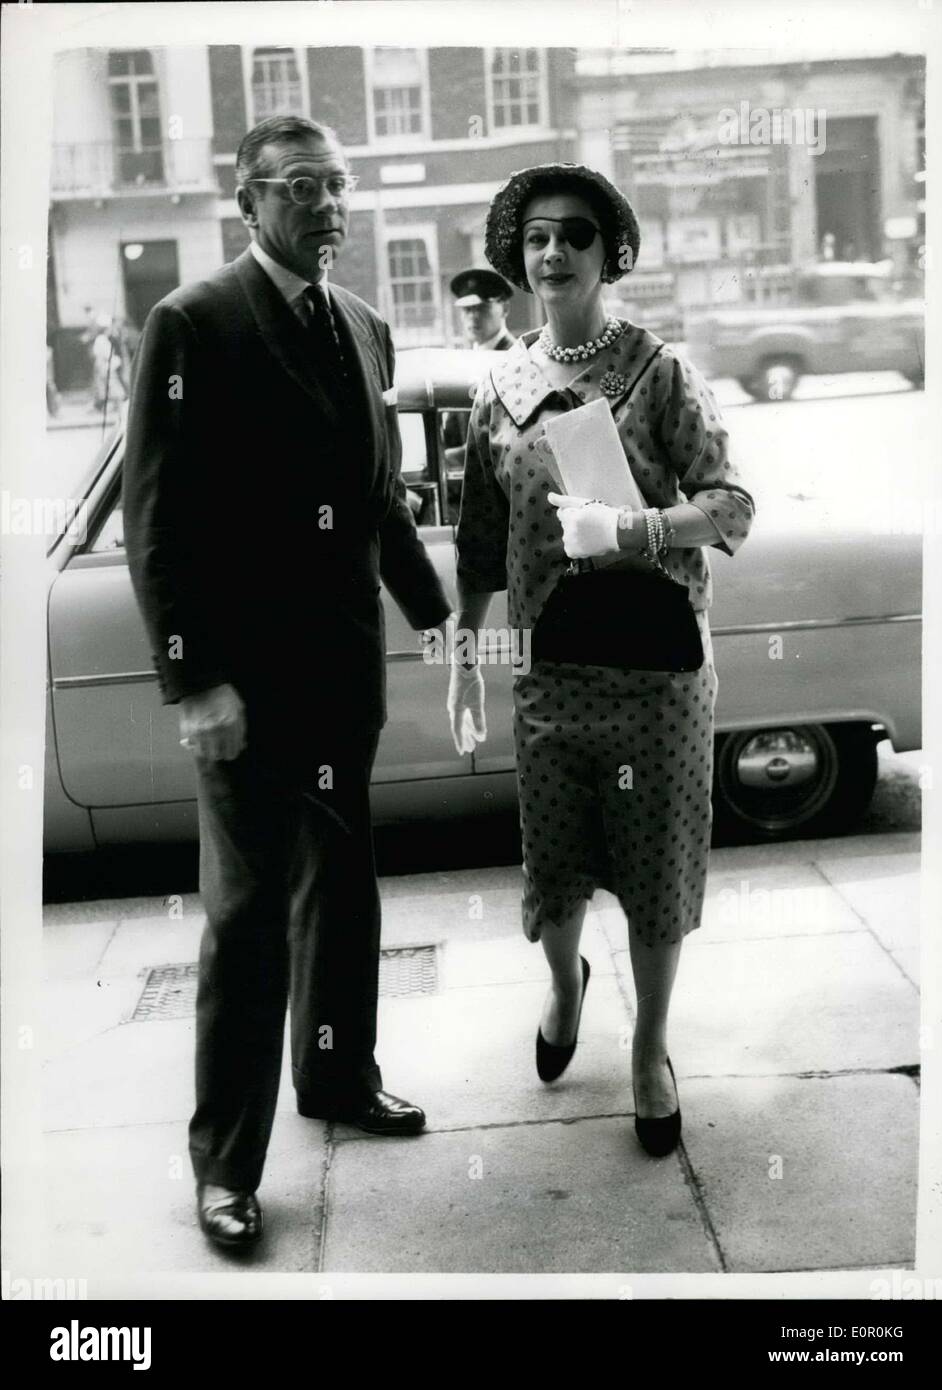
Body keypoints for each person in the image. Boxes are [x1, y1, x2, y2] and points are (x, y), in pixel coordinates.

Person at [123, 114, 452, 1248]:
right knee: (249, 918)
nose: (324, 207)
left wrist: (440, 614)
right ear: (247, 202)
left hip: (337, 679)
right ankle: (224, 1164)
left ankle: (337, 1075)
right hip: (245, 691)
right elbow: (154, 524)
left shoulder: (362, 324)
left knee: (344, 887)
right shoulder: (194, 323)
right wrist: (194, 684)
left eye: (336, 186)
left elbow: (374, 498)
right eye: (300, 187)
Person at [448, 163, 755, 1156]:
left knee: (656, 877)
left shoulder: (656, 370)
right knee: (556, 873)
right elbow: (480, 541)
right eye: (535, 236)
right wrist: (466, 650)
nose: (552, 252)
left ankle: (648, 1050)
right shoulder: (497, 386)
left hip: (655, 675)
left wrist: (628, 528)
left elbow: (729, 506)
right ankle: (562, 985)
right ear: (518, 255)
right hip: (549, 673)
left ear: (606, 251)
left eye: (572, 234)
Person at [441, 267, 516, 476]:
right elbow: (452, 432)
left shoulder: (516, 359)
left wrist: (444, 457)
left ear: (504, 308)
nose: (473, 317)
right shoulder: (463, 364)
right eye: (467, 310)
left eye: (482, 308)